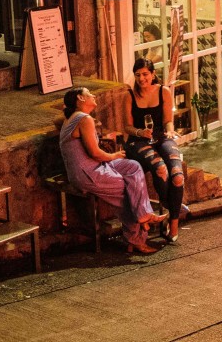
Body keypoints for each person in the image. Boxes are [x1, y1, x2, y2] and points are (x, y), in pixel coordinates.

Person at [58, 87, 166, 253]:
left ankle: (143, 214)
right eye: (89, 93)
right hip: (87, 173)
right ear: (80, 98)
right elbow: (94, 153)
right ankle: (136, 238)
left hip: (94, 167)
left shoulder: (75, 118)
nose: (93, 95)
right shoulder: (84, 119)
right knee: (127, 191)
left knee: (133, 166)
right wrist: (114, 155)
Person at [121, 59, 187, 242]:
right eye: (138, 75)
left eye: (145, 74)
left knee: (177, 173)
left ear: (152, 74)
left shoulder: (163, 91)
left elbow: (168, 120)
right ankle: (173, 205)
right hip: (137, 141)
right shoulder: (129, 96)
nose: (142, 78)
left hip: (161, 137)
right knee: (160, 167)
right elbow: (126, 127)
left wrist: (171, 129)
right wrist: (140, 132)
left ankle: (173, 222)